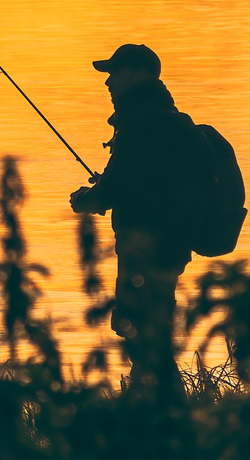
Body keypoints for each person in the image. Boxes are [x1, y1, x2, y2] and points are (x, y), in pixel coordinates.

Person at [69, 43, 203, 400]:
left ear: (138, 74)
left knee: (141, 333)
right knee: (149, 333)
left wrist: (85, 200)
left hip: (147, 248)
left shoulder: (142, 123)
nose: (109, 81)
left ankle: (162, 413)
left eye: (116, 72)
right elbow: (138, 181)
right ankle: (160, 411)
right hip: (167, 246)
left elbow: (116, 186)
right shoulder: (161, 118)